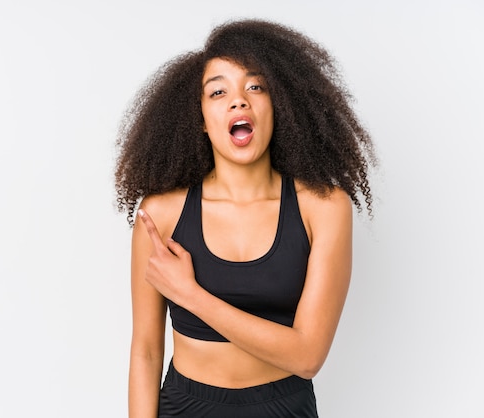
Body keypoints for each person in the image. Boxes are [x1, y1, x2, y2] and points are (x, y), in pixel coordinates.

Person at [114, 18, 377, 418]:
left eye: (255, 86)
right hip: (186, 407)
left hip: (283, 407)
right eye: (218, 91)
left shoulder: (323, 206)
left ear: (279, 105)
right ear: (200, 119)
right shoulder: (161, 213)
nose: (239, 100)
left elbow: (307, 357)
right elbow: (146, 352)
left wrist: (190, 295)